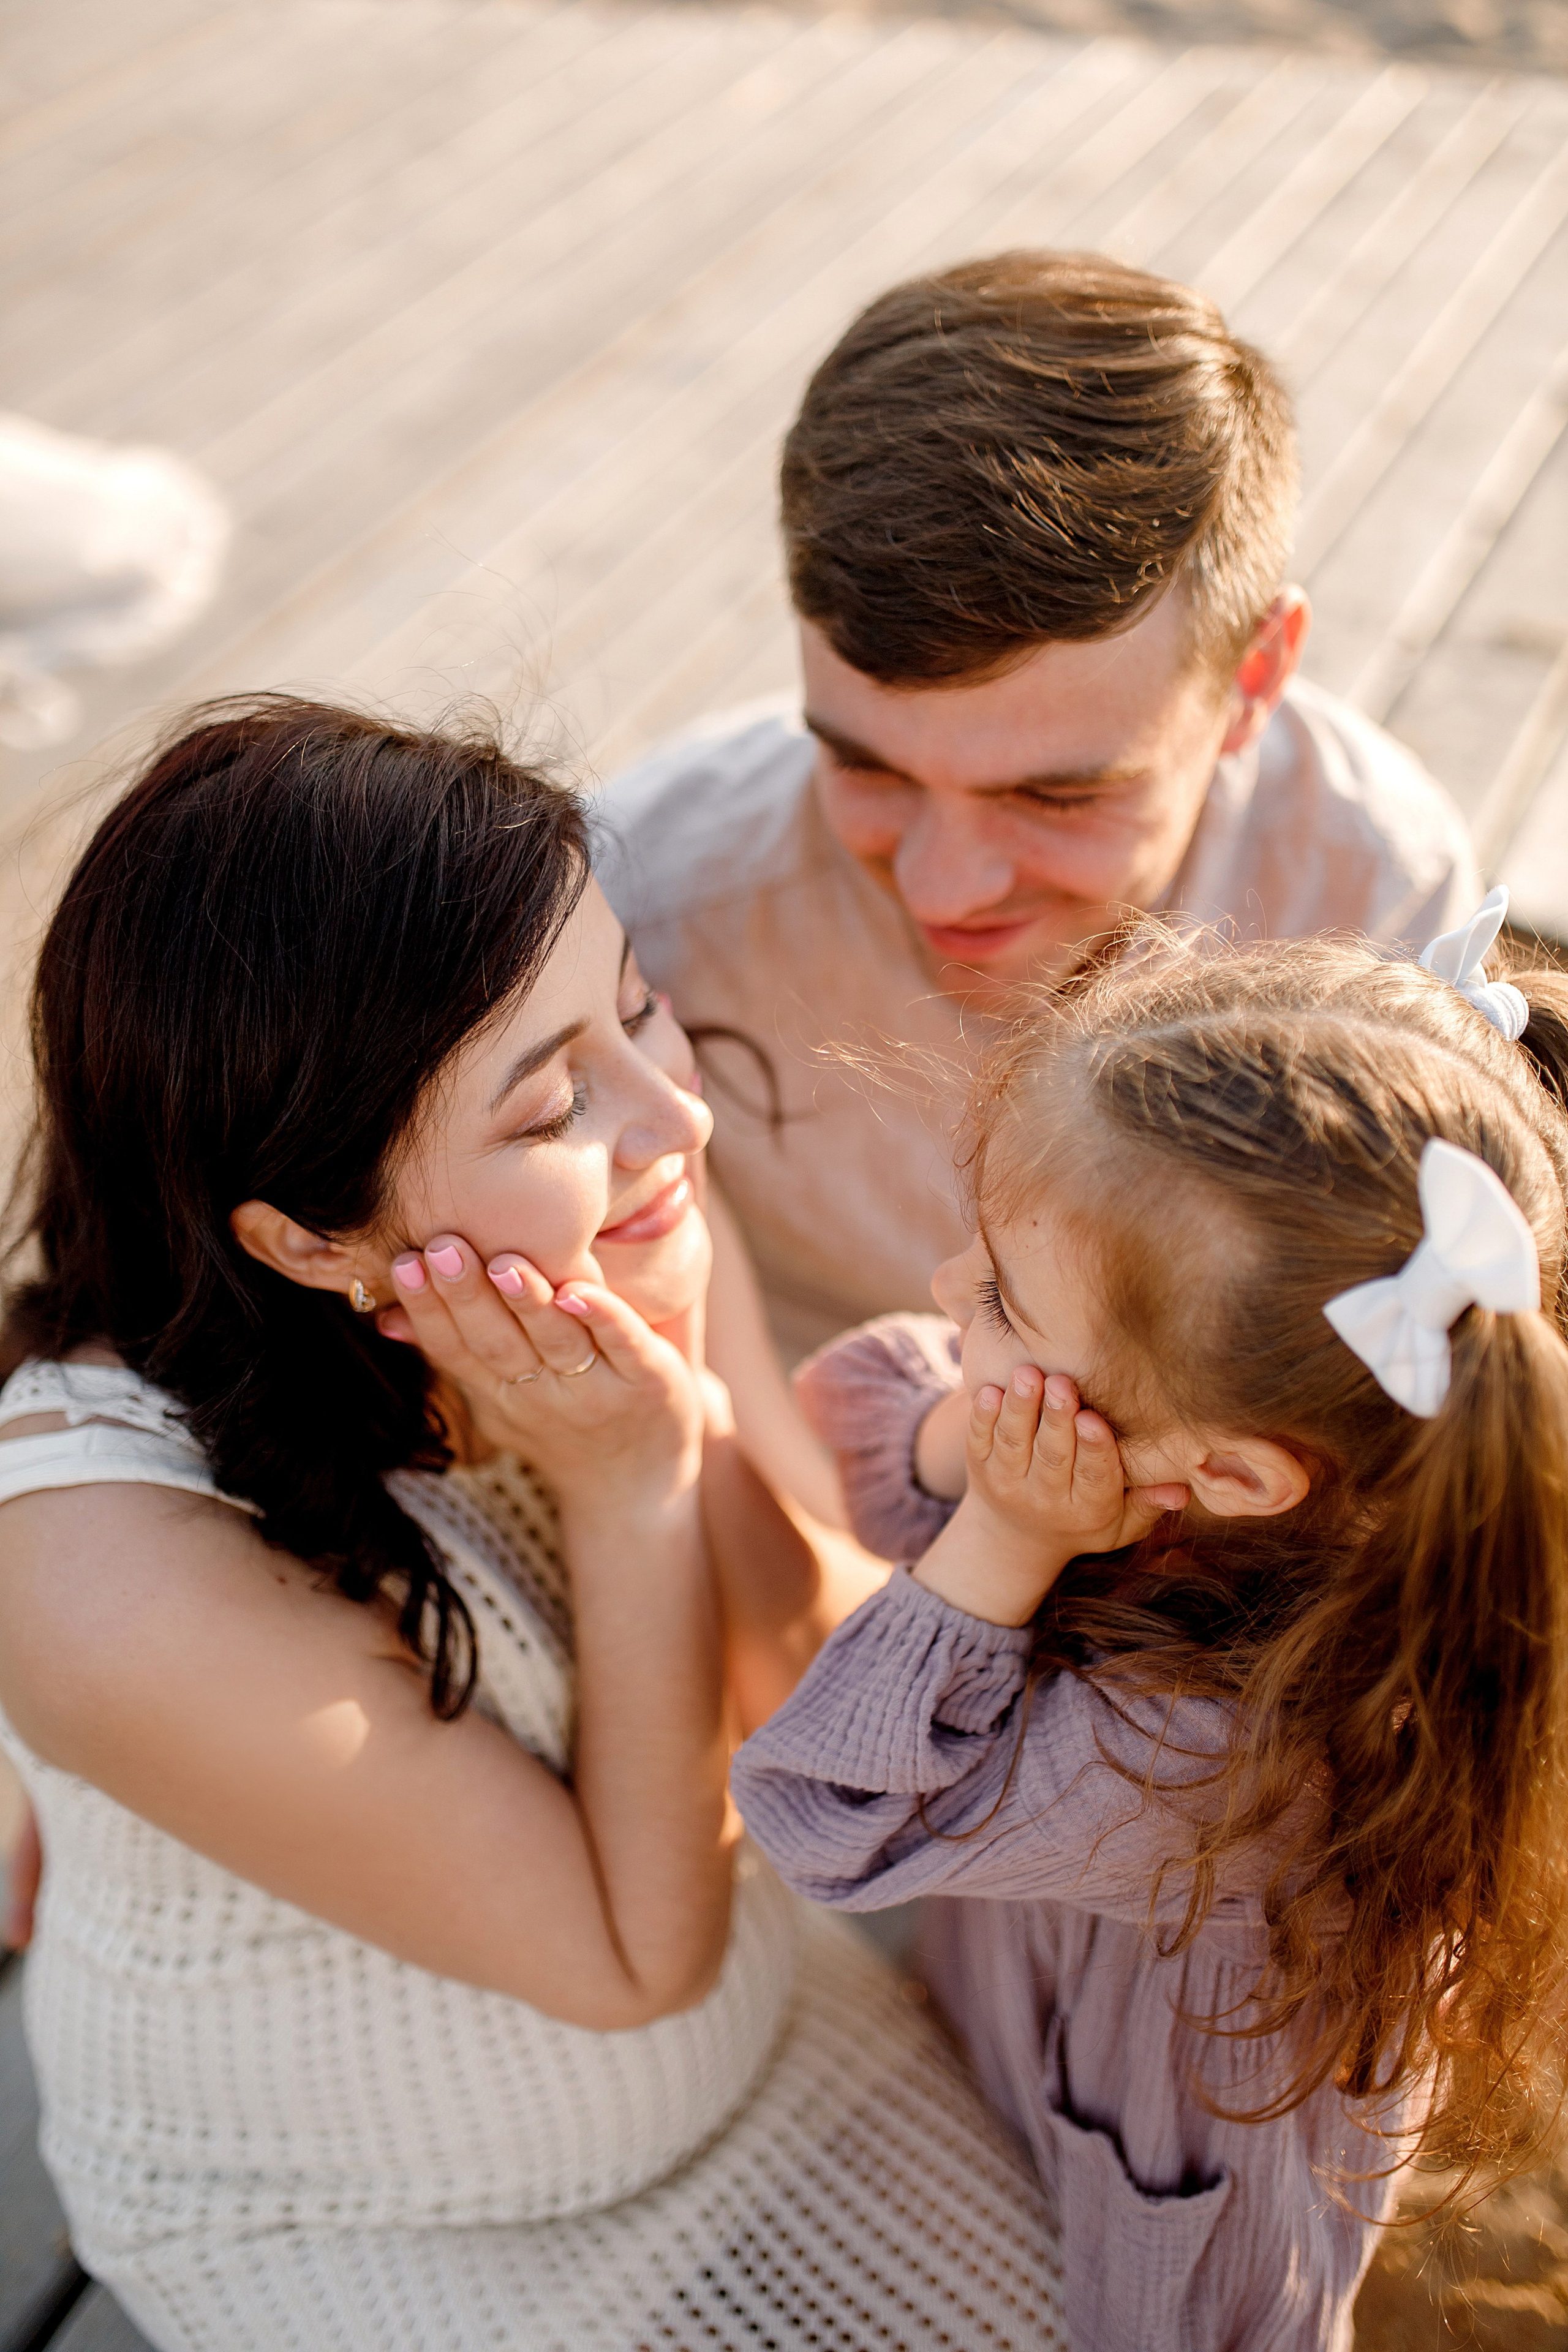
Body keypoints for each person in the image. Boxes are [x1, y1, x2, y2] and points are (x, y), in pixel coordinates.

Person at [0, 699, 1064, 2352]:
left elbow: (822, 1703)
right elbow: (632, 1965)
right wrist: (628, 1485)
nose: (674, 1117)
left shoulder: (612, 1223)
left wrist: (686, 1407)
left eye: (638, 1006)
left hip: (773, 2050)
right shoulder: (105, 1569)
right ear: (307, 1241)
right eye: (554, 1102)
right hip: (373, 2221)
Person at [731, 905, 1568, 2350]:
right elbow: (852, 1417)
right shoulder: (1239, 1468)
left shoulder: (1216, 1756)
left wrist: (1006, 1537)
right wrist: (995, 1469)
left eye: (1000, 1302)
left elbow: (824, 1820)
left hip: (1178, 2255)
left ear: (1232, 1474)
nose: (943, 1293)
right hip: (1027, 2056)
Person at [598, 250, 1482, 1363]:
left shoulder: (1379, 892)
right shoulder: (639, 903)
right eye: (868, 768)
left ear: (1254, 677)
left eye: (1057, 796)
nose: (944, 886)